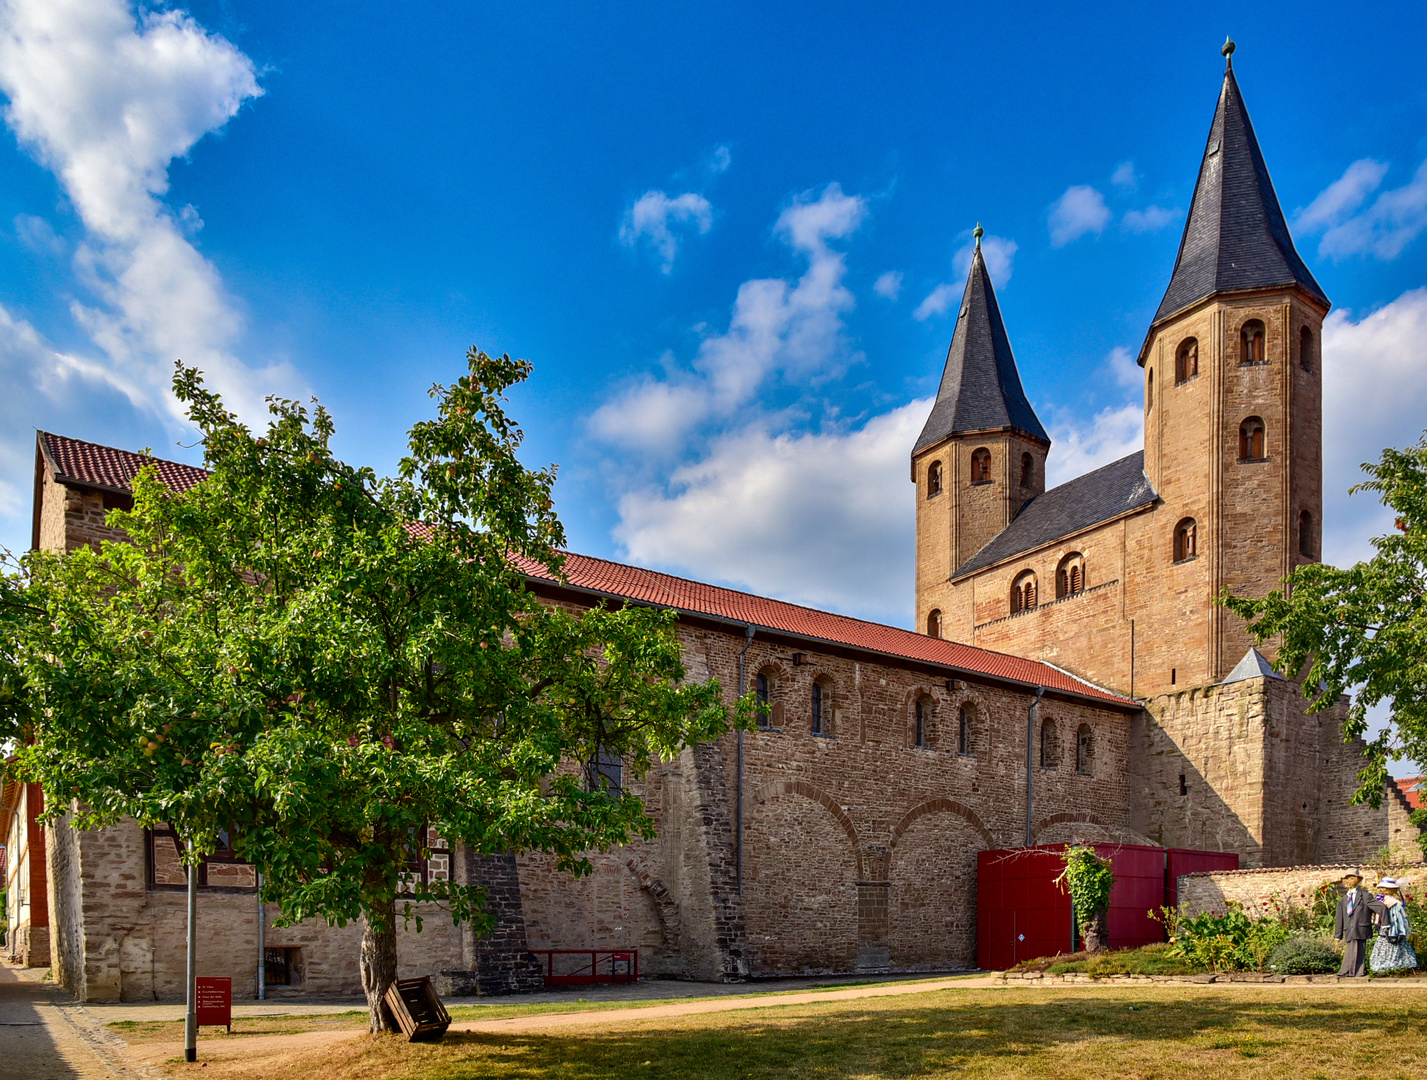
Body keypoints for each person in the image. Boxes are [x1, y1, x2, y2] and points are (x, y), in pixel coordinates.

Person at [1367, 877, 1418, 974]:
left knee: (1393, 944)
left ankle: (1393, 965)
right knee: (1385, 944)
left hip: (1391, 928)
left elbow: (1398, 918)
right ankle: (1385, 965)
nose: (1383, 890)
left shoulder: (1394, 903)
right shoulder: (1381, 900)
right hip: (1385, 928)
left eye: (1385, 889)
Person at [1334, 871, 1374, 977]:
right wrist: (1338, 936)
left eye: (1352, 878)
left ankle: (1357, 972)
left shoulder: (1365, 896)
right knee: (1350, 949)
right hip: (1349, 929)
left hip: (1361, 928)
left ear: (1357, 880)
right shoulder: (1343, 901)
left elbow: (1375, 908)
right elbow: (1339, 919)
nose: (1349, 881)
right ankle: (1346, 971)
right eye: (1347, 878)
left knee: (1360, 950)